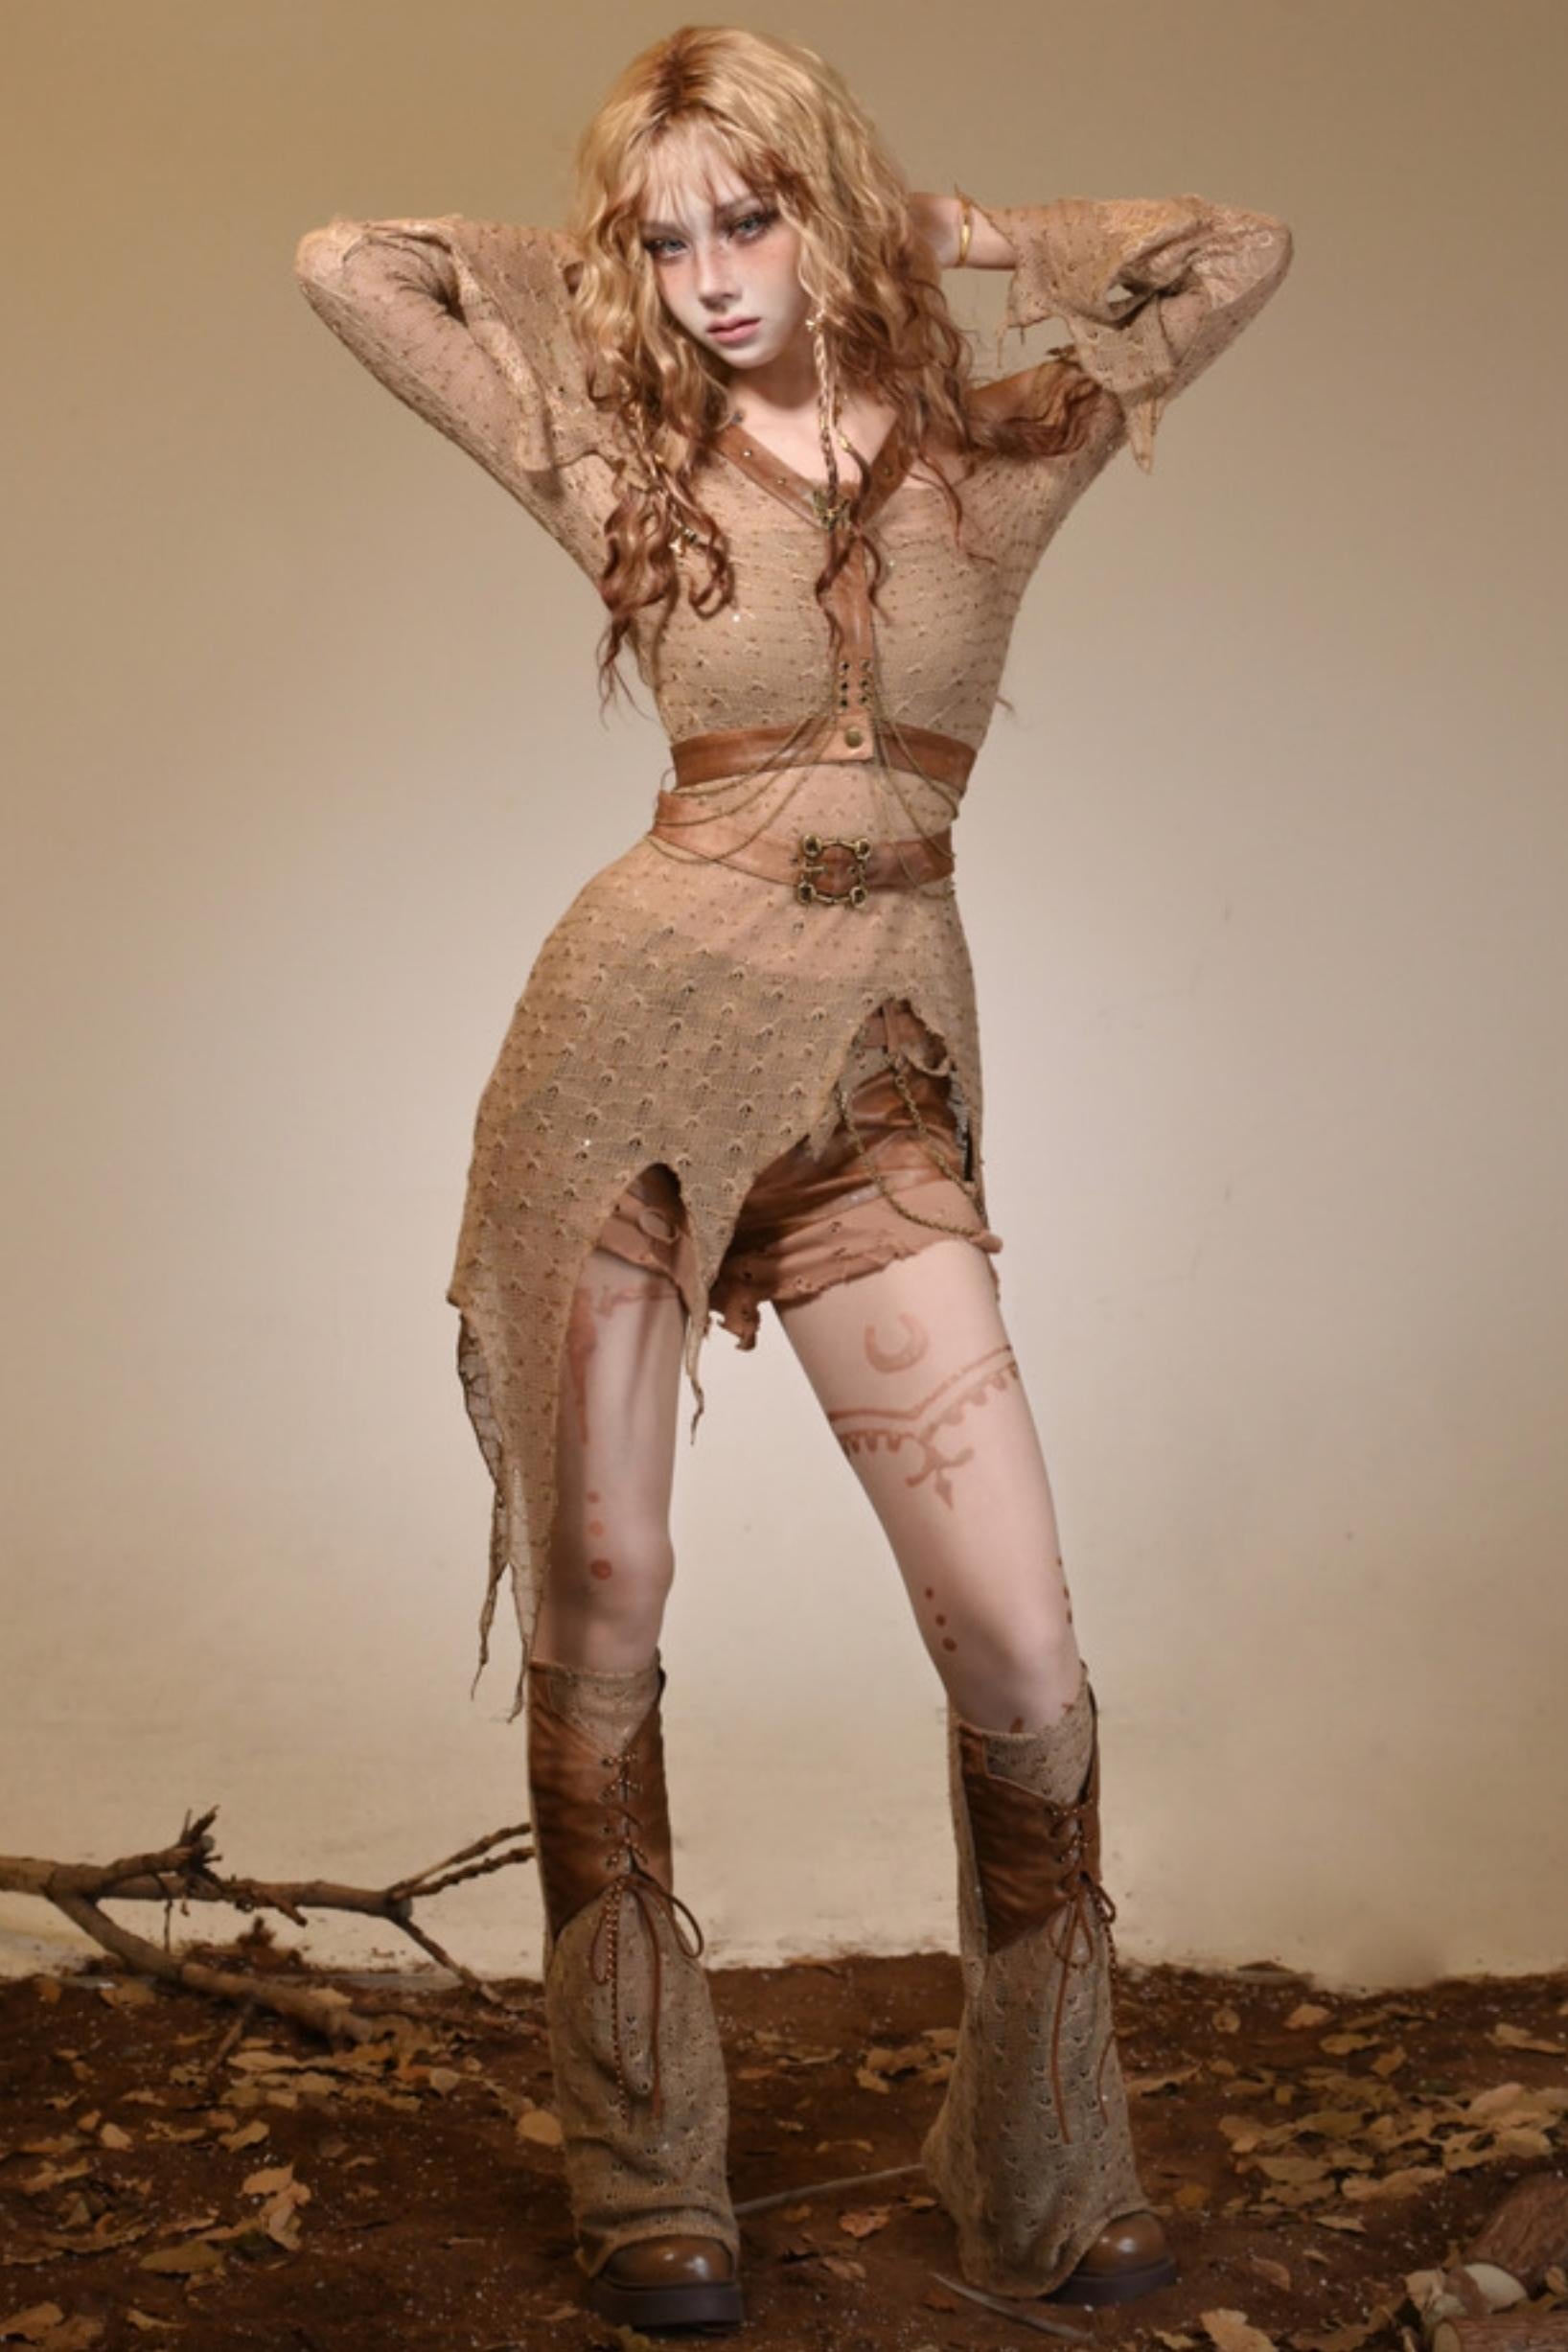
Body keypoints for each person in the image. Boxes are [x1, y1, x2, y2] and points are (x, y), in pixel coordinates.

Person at [294, 21, 1293, 2333]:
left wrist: (950, 234)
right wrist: (612, 255)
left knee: (1017, 1642)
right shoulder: (612, 449)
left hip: (879, 1088)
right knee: (607, 1594)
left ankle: (1038, 2169)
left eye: (750, 221)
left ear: (825, 207)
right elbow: (350, 267)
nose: (713, 276)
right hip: (621, 1073)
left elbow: (1230, 252)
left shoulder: (1001, 452)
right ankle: (649, 2172)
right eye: (671, 245)